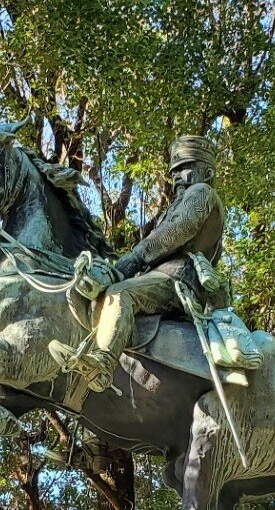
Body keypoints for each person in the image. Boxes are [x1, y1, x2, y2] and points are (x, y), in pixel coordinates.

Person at [58, 135, 245, 399]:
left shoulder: (201, 193)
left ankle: (101, 365)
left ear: (208, 171)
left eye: (186, 167)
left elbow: (176, 232)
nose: (178, 176)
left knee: (121, 294)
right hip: (160, 277)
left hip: (180, 278)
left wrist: (133, 259)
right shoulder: (177, 203)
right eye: (175, 170)